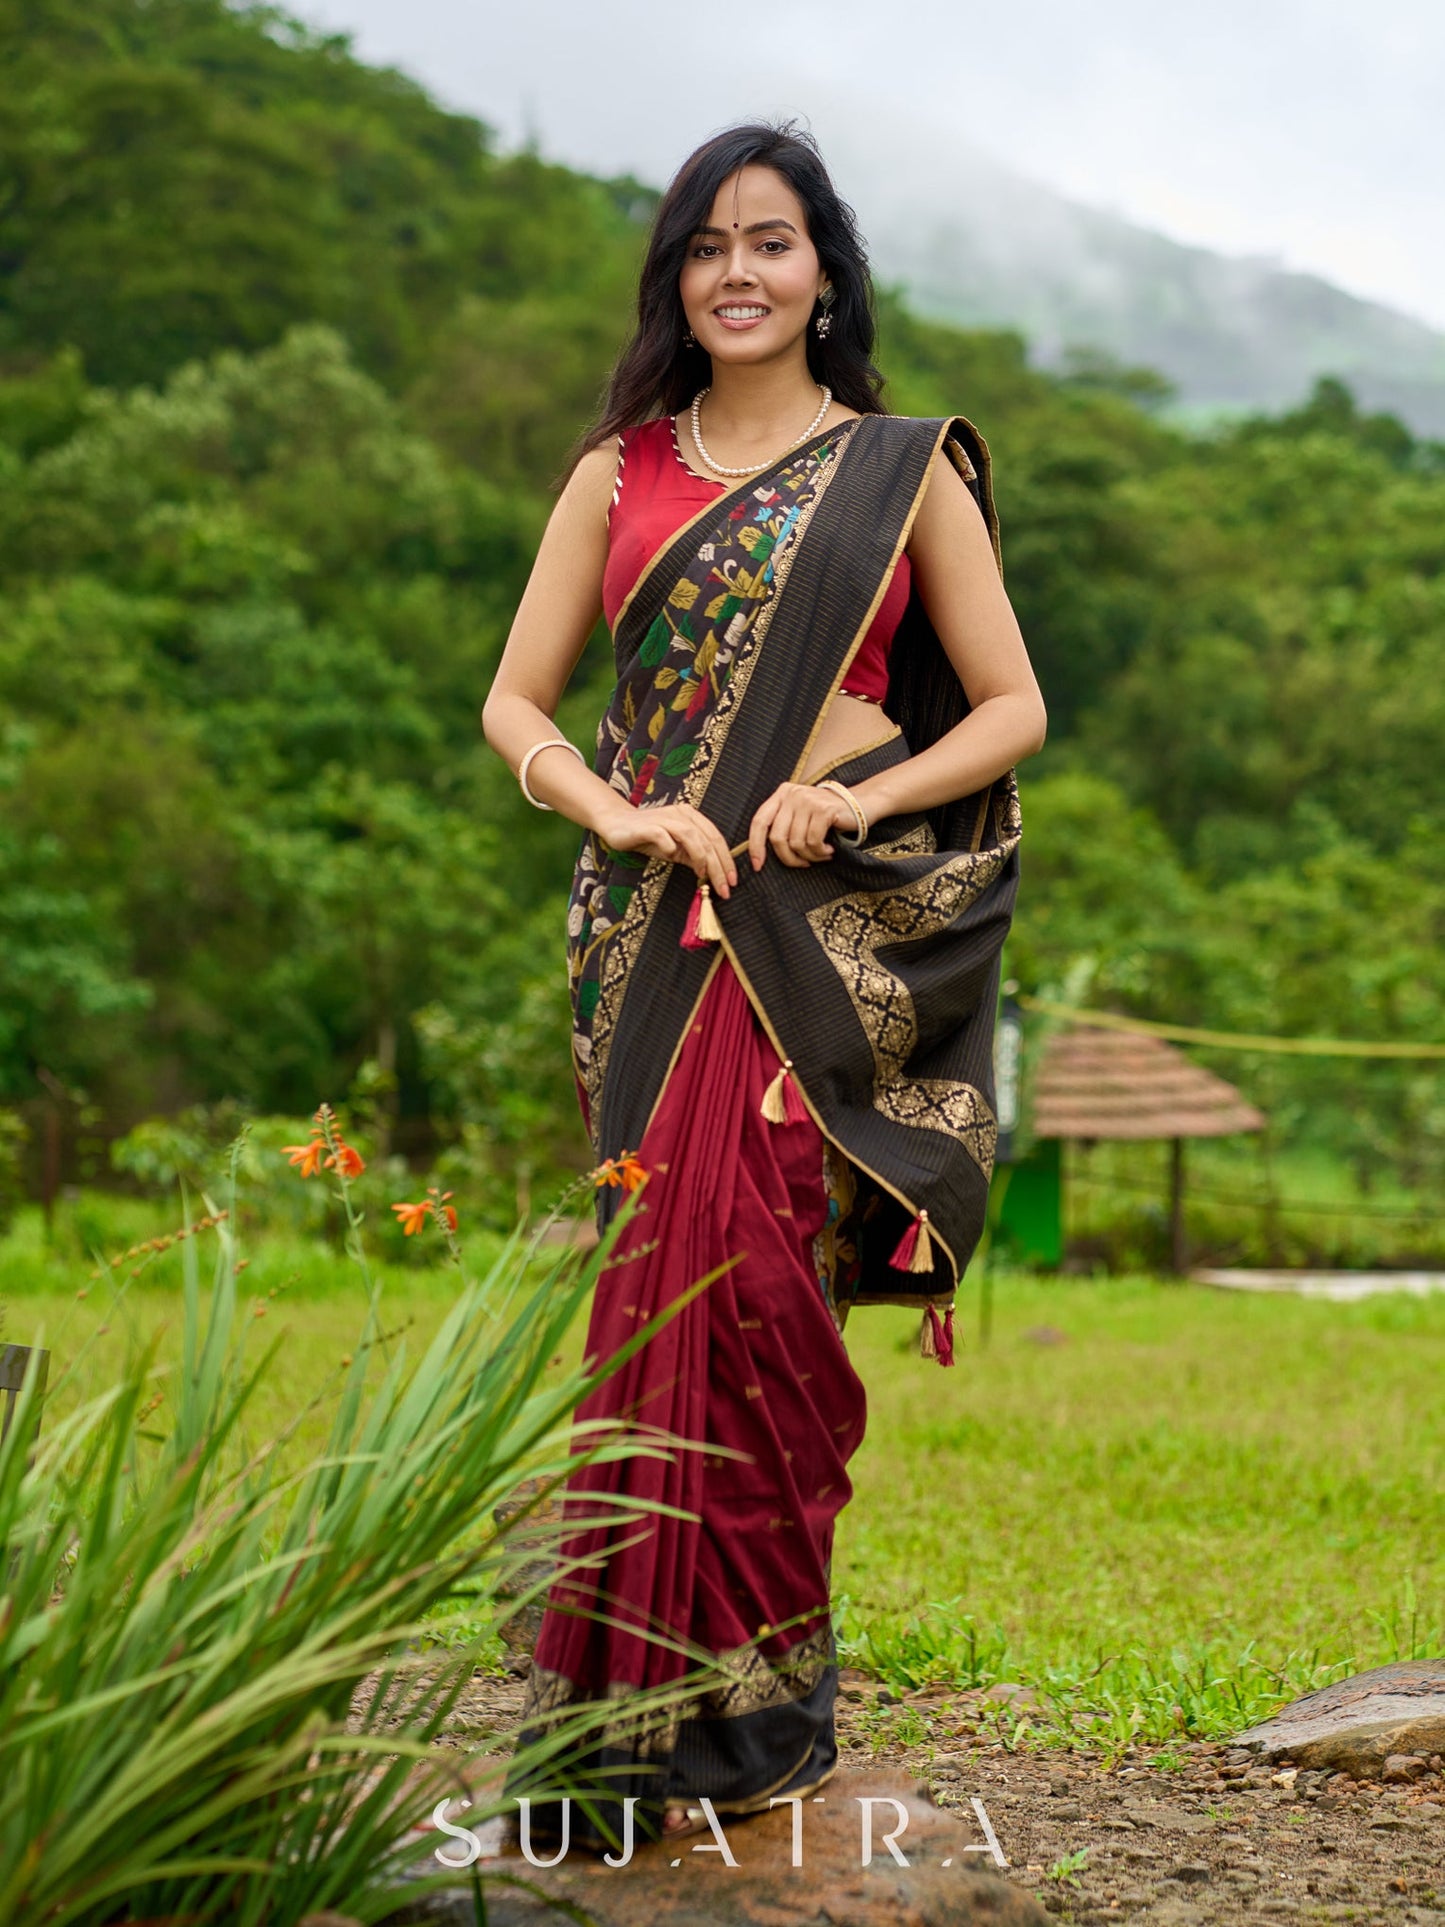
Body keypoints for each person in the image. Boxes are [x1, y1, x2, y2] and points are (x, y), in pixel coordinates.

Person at [482, 121, 1045, 1853]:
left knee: (761, 1293)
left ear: (823, 271)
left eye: (772, 240)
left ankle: (757, 1714)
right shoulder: (616, 472)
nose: (737, 270)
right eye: (706, 244)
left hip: (821, 928)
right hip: (652, 934)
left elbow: (1007, 705)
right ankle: (611, 1723)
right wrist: (615, 806)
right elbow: (517, 706)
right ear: (675, 276)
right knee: (647, 1292)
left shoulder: (898, 467)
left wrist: (849, 796)